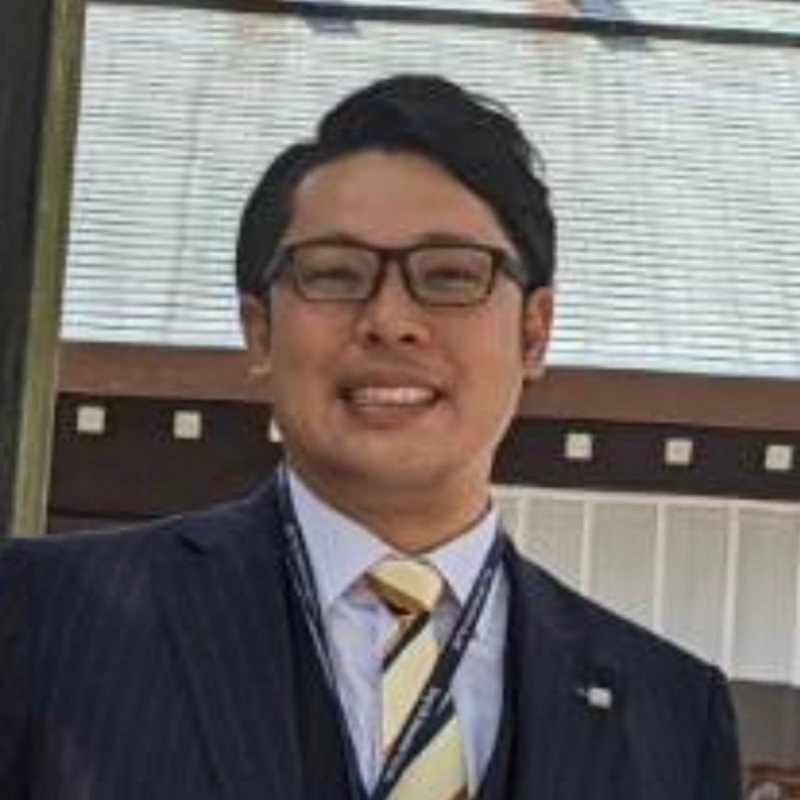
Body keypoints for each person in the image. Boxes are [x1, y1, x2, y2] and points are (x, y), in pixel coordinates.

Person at [0, 74, 741, 800]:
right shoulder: (43, 618)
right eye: (334, 274)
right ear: (259, 331)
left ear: (534, 332)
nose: (389, 320)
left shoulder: (674, 716)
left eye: (450, 276)